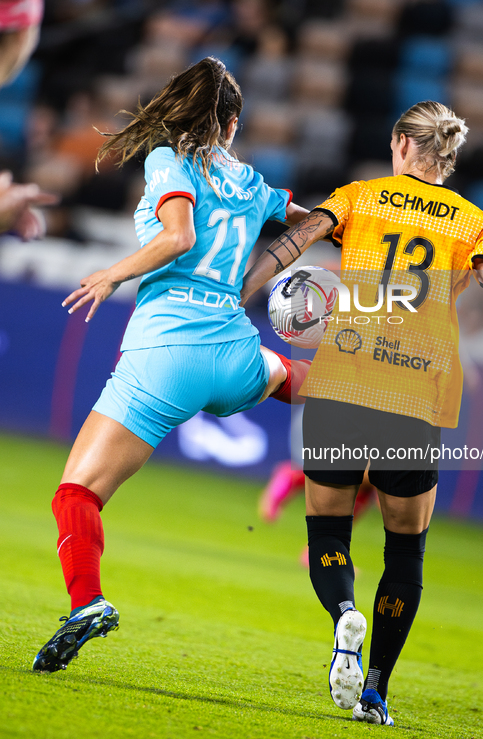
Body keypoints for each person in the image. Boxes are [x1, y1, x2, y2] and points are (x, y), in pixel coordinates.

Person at [240, 101, 483, 724]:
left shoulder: (360, 196)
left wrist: (241, 294)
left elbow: (296, 239)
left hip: (342, 383)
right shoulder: (476, 225)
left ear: (400, 143)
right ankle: (375, 691)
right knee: (406, 553)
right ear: (448, 156)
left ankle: (344, 616)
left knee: (328, 534)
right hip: (415, 398)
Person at [32, 57, 311, 673]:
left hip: (168, 353)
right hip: (234, 352)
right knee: (297, 379)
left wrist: (112, 272)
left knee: (75, 494)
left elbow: (179, 237)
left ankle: (87, 605)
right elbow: (313, 221)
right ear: (232, 123)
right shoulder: (253, 183)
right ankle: (385, 390)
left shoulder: (168, 162)